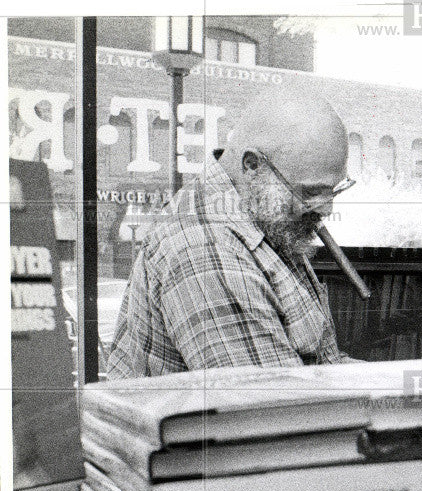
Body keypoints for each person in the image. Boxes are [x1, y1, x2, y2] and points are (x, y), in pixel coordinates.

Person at [106, 88, 356, 378]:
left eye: (334, 189)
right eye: (311, 192)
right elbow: (277, 409)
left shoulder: (263, 218)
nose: (326, 209)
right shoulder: (206, 248)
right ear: (252, 166)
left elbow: (322, 365)